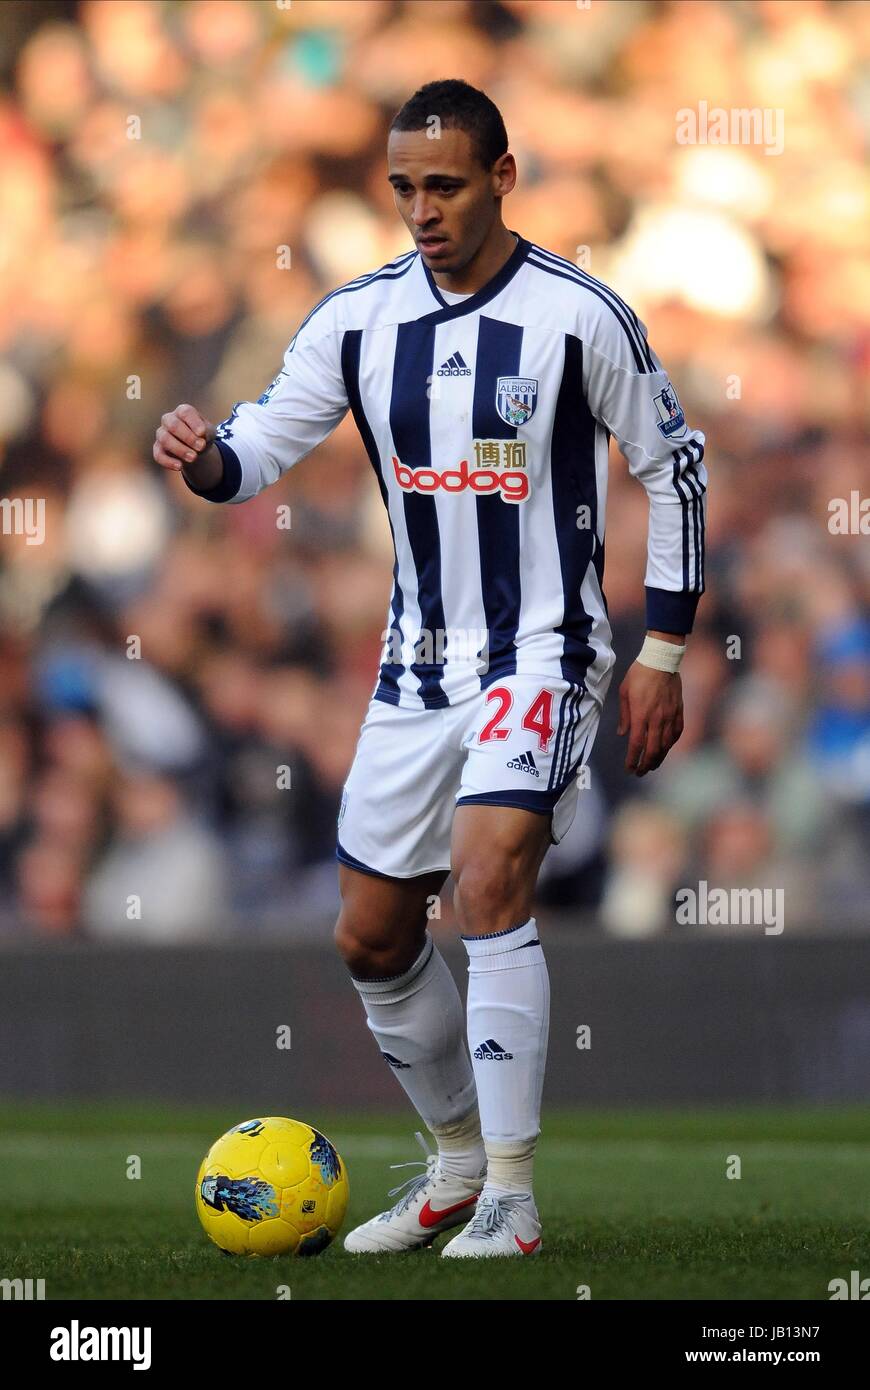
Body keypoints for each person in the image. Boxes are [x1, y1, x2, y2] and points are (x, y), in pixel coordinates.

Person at [153, 79, 707, 1258]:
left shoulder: (578, 316)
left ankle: (513, 1192)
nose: (421, 208)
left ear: (503, 178)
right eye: (404, 186)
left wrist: (662, 646)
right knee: (370, 934)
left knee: (490, 869)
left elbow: (674, 470)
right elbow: (257, 452)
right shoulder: (356, 320)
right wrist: (204, 461)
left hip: (544, 650)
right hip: (414, 667)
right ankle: (455, 1162)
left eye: (444, 184)